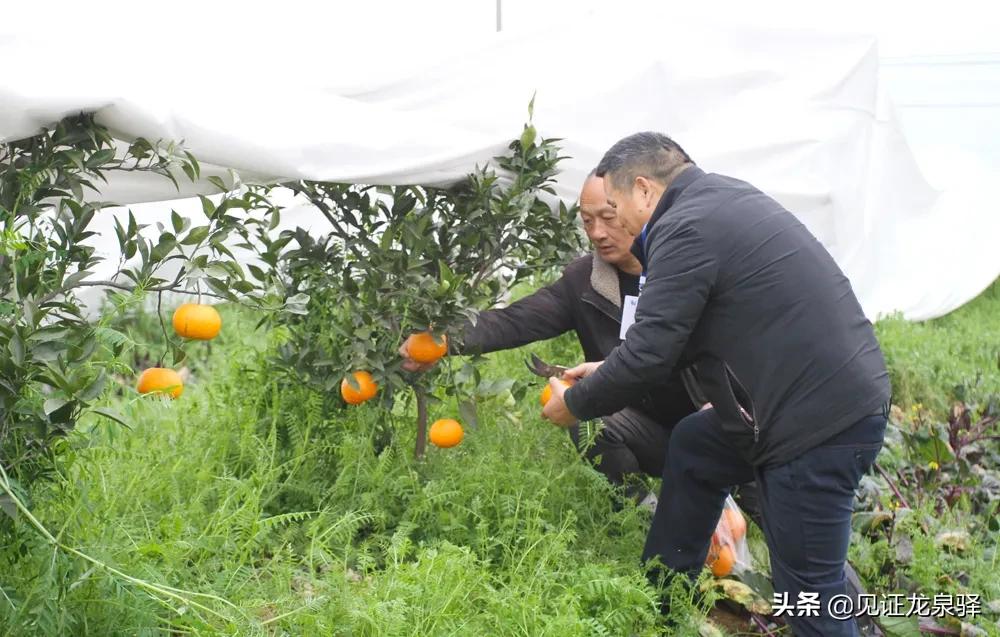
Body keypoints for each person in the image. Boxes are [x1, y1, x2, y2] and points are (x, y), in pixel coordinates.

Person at [542, 132, 890, 637]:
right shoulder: (720, 202)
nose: (612, 223)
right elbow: (678, 334)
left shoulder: (682, 228)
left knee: (807, 589)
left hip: (815, 423)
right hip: (804, 398)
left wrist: (574, 405)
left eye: (613, 208)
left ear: (643, 190)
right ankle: (661, 602)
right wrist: (604, 369)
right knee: (697, 444)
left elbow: (650, 354)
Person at [399, 173, 715, 505]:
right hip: (646, 429)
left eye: (607, 218)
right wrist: (445, 340)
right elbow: (515, 321)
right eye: (587, 221)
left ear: (634, 209)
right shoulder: (583, 282)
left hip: (716, 422)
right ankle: (642, 514)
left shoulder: (683, 269)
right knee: (585, 410)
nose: (597, 233)